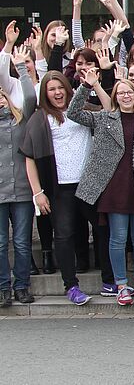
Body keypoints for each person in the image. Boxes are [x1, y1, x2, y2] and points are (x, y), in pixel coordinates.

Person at [67, 72, 134, 306]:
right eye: (120, 93)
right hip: (113, 188)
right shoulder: (103, 118)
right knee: (117, 238)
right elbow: (73, 113)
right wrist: (86, 85)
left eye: (129, 92)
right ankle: (121, 285)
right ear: (114, 97)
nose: (125, 96)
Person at [22, 70, 113, 305]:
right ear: (45, 94)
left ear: (67, 88)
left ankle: (109, 281)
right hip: (59, 187)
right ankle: (71, 286)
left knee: (103, 228)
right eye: (51, 89)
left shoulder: (82, 110)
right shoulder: (40, 118)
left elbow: (109, 111)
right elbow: (29, 157)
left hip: (89, 183)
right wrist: (37, 192)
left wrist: (94, 85)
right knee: (63, 236)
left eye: (60, 87)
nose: (57, 93)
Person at [0, 46, 37, 307]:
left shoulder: (20, 120)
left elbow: (31, 98)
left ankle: (21, 285)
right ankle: (3, 287)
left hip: (23, 191)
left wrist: (21, 68)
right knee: (1, 243)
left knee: (22, 242)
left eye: (2, 96)